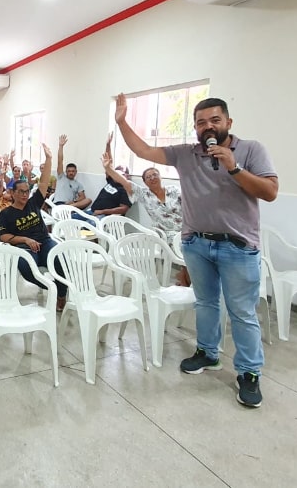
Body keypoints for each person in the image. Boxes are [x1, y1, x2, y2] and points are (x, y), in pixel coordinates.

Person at [114, 93, 278, 408]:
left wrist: (234, 168)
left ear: (228, 123)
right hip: (196, 243)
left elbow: (270, 192)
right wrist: (122, 122)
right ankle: (208, 352)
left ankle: (249, 372)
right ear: (195, 128)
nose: (208, 127)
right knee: (205, 303)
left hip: (238, 247)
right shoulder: (185, 154)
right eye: (201, 122)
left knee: (242, 312)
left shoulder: (251, 150)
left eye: (215, 120)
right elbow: (144, 149)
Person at [0, 142, 68, 310]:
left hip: (44, 241)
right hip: (25, 247)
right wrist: (25, 239)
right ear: (12, 193)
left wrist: (49, 158)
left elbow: (43, 183)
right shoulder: (6, 214)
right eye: (20, 191)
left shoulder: (33, 203)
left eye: (27, 191)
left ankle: (62, 294)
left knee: (60, 259)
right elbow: (3, 236)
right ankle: (52, 288)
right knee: (27, 269)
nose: (24, 194)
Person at [52, 134, 91, 210]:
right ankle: (68, 209)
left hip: (71, 205)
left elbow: (82, 197)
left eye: (73, 171)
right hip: (58, 204)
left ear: (76, 172)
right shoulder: (61, 177)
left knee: (88, 200)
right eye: (69, 171)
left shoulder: (78, 184)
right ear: (66, 171)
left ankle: (70, 208)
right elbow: (60, 161)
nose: (71, 173)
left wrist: (73, 201)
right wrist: (61, 146)